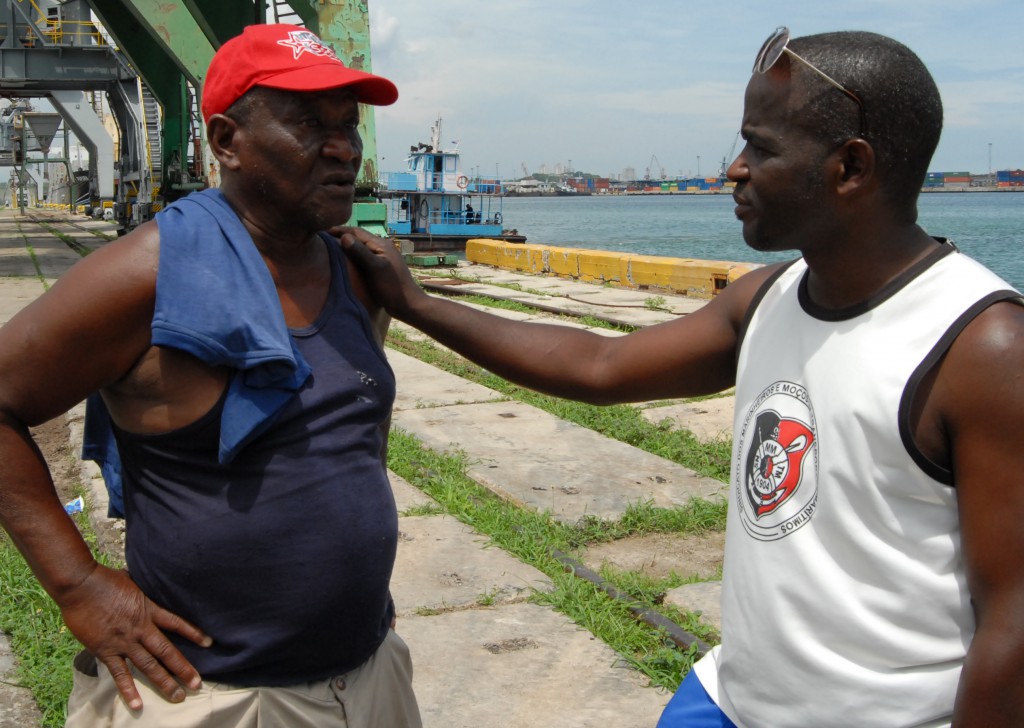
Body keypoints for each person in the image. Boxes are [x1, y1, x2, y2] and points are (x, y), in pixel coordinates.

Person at [340, 28, 1024, 727]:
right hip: (730, 700)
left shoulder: (980, 345)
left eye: (761, 146)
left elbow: (1014, 623)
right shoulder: (769, 298)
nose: (734, 168)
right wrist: (417, 304)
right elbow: (599, 365)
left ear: (850, 167)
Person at [0, 23, 422, 727]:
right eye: (310, 125)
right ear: (226, 142)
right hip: (217, 699)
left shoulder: (357, 272)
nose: (344, 146)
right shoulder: (147, 276)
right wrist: (78, 586)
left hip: (368, 676)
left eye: (349, 125)